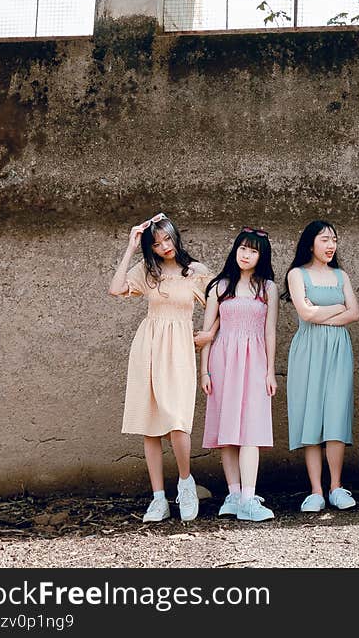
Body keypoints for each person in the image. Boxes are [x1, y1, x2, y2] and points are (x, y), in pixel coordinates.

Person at [108, 213, 212, 523]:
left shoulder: (196, 272)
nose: (164, 246)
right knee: (150, 424)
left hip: (179, 347)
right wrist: (131, 245)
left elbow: (222, 305)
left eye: (167, 239)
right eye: (156, 243)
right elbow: (115, 289)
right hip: (148, 346)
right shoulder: (146, 272)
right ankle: (158, 498)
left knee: (177, 422)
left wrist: (210, 333)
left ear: (176, 237)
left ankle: (185, 483)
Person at [195, 227, 278, 522]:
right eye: (243, 248)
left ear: (261, 256)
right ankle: (233, 494)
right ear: (235, 250)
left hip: (255, 360)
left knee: (251, 430)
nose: (246, 254)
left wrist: (270, 370)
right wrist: (203, 371)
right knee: (226, 430)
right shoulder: (220, 285)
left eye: (253, 250)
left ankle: (248, 498)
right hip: (223, 359)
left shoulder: (267, 287)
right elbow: (207, 333)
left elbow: (270, 331)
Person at [283, 220, 359, 512]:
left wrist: (320, 314)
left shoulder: (341, 275)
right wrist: (335, 309)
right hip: (308, 350)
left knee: (336, 415)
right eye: (325, 239)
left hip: (338, 350)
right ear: (310, 243)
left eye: (334, 240)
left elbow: (354, 314)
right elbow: (304, 312)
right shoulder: (296, 274)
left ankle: (336, 487)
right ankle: (316, 490)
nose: (330, 246)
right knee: (311, 415)